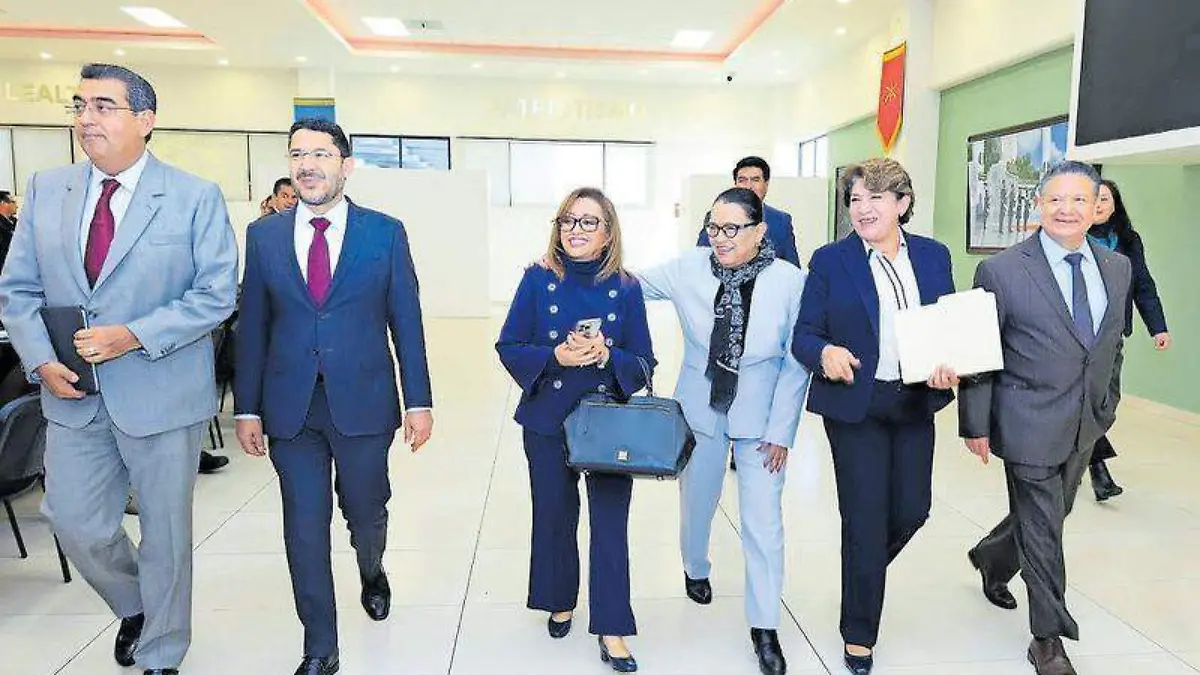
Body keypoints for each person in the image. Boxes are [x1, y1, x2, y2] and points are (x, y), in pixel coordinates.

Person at [0, 63, 239, 675]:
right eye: (79, 106)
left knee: (165, 533)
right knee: (72, 520)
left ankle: (162, 649)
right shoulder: (47, 190)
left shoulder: (193, 196)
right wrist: (40, 360)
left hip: (163, 393)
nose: (86, 119)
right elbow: (18, 289)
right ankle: (137, 605)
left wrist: (133, 334)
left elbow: (216, 295)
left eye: (103, 106)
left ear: (145, 120)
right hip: (73, 394)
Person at [233, 119, 434, 675]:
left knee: (365, 509)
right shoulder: (265, 236)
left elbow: (406, 321)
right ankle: (320, 646)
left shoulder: (384, 233)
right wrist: (246, 407)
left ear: (346, 165)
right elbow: (254, 327)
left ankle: (372, 567)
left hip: (364, 401)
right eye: (297, 154)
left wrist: (418, 400)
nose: (307, 164)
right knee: (304, 525)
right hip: (291, 407)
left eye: (321, 154)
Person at [960, 161, 1129, 675]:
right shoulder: (1003, 270)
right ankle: (1048, 639)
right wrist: (976, 423)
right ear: (1039, 204)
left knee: (1056, 511)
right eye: (1055, 199)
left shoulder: (1116, 267)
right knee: (1043, 527)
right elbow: (979, 350)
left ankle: (993, 557)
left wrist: (1108, 403)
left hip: (1086, 420)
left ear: (1097, 208)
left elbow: (1112, 344)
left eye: (1079, 200)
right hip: (1026, 417)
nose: (1066, 209)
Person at [791, 158, 957, 675]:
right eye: (855, 200)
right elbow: (804, 335)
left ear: (902, 203)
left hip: (914, 402)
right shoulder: (831, 260)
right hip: (855, 406)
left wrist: (950, 365)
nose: (862, 209)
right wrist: (825, 354)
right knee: (864, 518)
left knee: (912, 509)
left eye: (875, 198)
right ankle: (859, 633)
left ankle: (862, 572)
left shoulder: (933, 255)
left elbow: (948, 325)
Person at [641, 186, 809, 675]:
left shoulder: (789, 282)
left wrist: (782, 431)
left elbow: (797, 362)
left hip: (762, 419)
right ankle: (695, 566)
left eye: (732, 228)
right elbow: (627, 284)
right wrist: (567, 265)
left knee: (764, 522)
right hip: (701, 410)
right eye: (713, 227)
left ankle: (765, 626)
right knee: (698, 501)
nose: (720, 237)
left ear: (760, 231)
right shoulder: (688, 268)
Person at [497, 187, 654, 673]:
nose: (575, 230)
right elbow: (508, 345)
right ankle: (558, 597)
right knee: (553, 513)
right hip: (547, 415)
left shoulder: (627, 287)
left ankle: (612, 625)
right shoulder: (537, 278)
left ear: (608, 232)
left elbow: (645, 361)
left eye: (588, 222)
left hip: (607, 420)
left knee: (610, 523)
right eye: (568, 220)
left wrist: (607, 355)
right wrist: (555, 357)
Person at [1085, 178, 1170, 500]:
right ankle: (1098, 469)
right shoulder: (1072, 238)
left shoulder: (1128, 240)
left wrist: (1158, 327)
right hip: (1077, 334)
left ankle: (1079, 451)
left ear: (1115, 205)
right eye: (1092, 199)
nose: (1098, 205)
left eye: (1104, 199)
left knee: (1107, 402)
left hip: (1113, 334)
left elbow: (1143, 284)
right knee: (1086, 399)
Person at [696, 157, 800, 268]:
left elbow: (792, 268)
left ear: (766, 184)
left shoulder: (781, 220)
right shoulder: (716, 216)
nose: (749, 186)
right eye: (742, 180)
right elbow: (702, 259)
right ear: (735, 184)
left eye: (755, 180)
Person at [0, 190, 17, 271]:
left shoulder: (16, 222)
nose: (16, 206)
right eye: (13, 202)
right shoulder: (1, 226)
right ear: (3, 203)